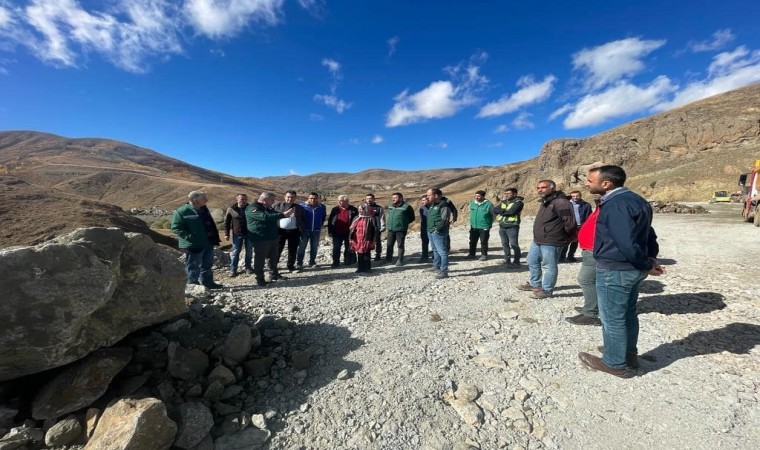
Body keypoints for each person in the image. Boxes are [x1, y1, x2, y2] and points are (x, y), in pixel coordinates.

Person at [578, 165, 663, 378]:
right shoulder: (636, 200)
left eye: (590, 181)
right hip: (629, 268)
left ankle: (614, 363)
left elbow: (626, 242)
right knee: (627, 313)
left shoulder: (615, 204)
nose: (586, 184)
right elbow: (648, 234)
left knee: (612, 318)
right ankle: (626, 353)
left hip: (615, 269)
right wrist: (650, 258)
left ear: (606, 184)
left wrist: (646, 263)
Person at [516, 180, 575, 299]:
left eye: (543, 187)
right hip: (539, 240)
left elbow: (569, 222)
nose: (540, 190)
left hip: (552, 240)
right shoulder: (546, 201)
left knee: (549, 266)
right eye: (538, 188)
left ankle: (547, 290)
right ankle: (535, 283)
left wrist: (567, 237)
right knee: (532, 260)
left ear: (552, 188)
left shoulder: (561, 202)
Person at [171, 190, 223, 289]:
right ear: (195, 200)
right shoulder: (182, 211)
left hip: (208, 241)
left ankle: (208, 283)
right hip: (193, 243)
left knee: (207, 264)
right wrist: (189, 237)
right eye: (203, 198)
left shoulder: (204, 209)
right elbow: (176, 227)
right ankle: (193, 285)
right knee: (193, 265)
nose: (206, 200)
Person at [565, 194, 602, 326]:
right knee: (593, 280)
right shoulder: (601, 207)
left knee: (586, 280)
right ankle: (593, 306)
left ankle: (590, 313)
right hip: (590, 249)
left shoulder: (611, 207)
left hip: (595, 250)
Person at [246, 192, 295, 287]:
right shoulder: (253, 208)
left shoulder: (268, 207)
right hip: (261, 238)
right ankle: (260, 279)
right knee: (260, 259)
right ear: (265, 200)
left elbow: (275, 214)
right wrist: (283, 214)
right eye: (272, 200)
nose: (273, 202)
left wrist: (284, 214)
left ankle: (274, 274)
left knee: (273, 257)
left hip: (272, 237)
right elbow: (265, 217)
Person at [273, 190, 305, 272]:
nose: (290, 199)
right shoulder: (277, 206)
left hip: (294, 231)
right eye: (288, 197)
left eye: (292, 197)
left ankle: (291, 266)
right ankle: (274, 266)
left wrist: (301, 228)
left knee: (293, 250)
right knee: (277, 249)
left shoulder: (299, 207)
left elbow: (303, 218)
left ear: (295, 198)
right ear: (285, 197)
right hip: (280, 231)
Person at [223, 193, 253, 277]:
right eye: (242, 199)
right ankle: (233, 269)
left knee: (249, 251)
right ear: (237, 200)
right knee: (235, 252)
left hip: (250, 233)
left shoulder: (250, 208)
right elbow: (227, 222)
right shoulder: (231, 209)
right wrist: (226, 234)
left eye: (245, 199)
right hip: (237, 233)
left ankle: (248, 267)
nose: (244, 201)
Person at [493, 188, 524, 268]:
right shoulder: (504, 202)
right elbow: (495, 210)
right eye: (505, 193)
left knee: (514, 245)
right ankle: (507, 259)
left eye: (509, 193)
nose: (506, 195)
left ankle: (516, 262)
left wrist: (502, 211)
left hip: (512, 226)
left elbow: (512, 212)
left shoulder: (518, 202)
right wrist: (504, 211)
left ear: (515, 194)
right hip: (502, 226)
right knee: (504, 244)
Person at [426, 188, 452, 279]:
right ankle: (436, 266)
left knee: (442, 252)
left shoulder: (444, 205)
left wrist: (437, 229)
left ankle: (444, 271)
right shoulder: (433, 205)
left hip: (438, 232)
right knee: (435, 250)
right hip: (431, 231)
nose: (427, 197)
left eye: (429, 195)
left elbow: (445, 219)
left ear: (436, 195)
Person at [560, 191, 592, 263]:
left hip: (581, 226)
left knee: (575, 242)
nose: (575, 197)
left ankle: (571, 256)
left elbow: (589, 215)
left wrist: (587, 225)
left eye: (577, 196)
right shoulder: (566, 204)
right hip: (570, 226)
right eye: (573, 196)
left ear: (580, 196)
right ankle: (562, 257)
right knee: (566, 242)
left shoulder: (586, 205)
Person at [297, 192, 327, 270]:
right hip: (304, 231)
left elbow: (323, 217)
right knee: (302, 247)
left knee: (314, 247)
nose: (313, 200)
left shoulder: (322, 207)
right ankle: (299, 263)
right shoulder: (301, 206)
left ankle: (312, 262)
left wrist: (319, 224)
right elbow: (299, 218)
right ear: (308, 198)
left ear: (317, 199)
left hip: (316, 230)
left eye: (315, 198)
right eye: (311, 198)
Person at [385, 192, 416, 266]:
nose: (393, 199)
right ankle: (388, 259)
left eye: (395, 198)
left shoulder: (407, 207)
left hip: (400, 229)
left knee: (400, 245)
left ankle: (400, 260)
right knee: (389, 245)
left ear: (401, 198)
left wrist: (403, 223)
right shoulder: (390, 206)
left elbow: (412, 218)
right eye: (393, 198)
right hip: (391, 229)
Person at [328, 195, 358, 267]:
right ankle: (335, 262)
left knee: (348, 247)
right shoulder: (335, 209)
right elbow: (330, 221)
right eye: (339, 201)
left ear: (347, 201)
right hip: (337, 232)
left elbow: (356, 220)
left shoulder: (353, 210)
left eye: (341, 201)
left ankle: (347, 261)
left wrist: (355, 231)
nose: (339, 202)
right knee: (336, 247)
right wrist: (330, 231)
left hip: (349, 232)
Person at [350, 202, 377, 273]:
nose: (359, 210)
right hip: (357, 239)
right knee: (359, 254)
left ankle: (367, 268)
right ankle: (360, 268)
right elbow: (352, 229)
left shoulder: (370, 218)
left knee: (366, 253)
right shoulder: (356, 218)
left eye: (361, 209)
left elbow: (374, 230)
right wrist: (350, 238)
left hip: (367, 239)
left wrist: (374, 240)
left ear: (365, 209)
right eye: (358, 209)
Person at [467, 190, 493, 261]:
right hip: (474, 226)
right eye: (475, 196)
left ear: (483, 197)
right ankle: (471, 254)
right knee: (472, 241)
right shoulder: (472, 203)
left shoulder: (488, 204)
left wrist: (488, 223)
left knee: (483, 241)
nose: (476, 197)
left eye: (478, 196)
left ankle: (484, 255)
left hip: (484, 226)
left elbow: (493, 215)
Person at [364, 193, 385, 261]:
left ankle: (378, 255)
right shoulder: (363, 208)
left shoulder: (379, 208)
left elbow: (382, 217)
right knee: (367, 241)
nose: (369, 200)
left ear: (374, 199)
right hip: (366, 228)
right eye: (367, 198)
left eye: (370, 198)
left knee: (377, 241)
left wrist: (382, 226)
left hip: (376, 227)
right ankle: (368, 254)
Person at [418, 194, 431, 262]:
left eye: (424, 200)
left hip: (432, 227)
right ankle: (424, 257)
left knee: (434, 243)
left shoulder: (433, 207)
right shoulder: (421, 208)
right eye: (422, 200)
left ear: (428, 200)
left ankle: (437, 257)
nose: (422, 202)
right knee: (424, 243)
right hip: (424, 227)